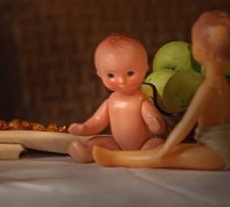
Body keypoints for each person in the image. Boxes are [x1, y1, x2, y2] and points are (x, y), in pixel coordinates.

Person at [95, 10, 230, 170]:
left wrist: (166, 149)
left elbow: (186, 124)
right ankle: (116, 156)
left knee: (168, 158)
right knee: (177, 152)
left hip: (219, 153)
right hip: (210, 145)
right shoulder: (222, 84)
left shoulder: (208, 88)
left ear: (201, 51)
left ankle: (116, 158)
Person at [66, 34, 165, 163]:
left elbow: (157, 125)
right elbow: (98, 121)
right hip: (117, 146)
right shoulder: (111, 101)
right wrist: (85, 128)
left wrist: (156, 123)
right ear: (99, 74)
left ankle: (145, 157)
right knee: (97, 142)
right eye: (111, 75)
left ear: (145, 68)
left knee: (157, 144)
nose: (121, 81)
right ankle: (85, 152)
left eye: (130, 73)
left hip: (144, 146)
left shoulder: (141, 100)